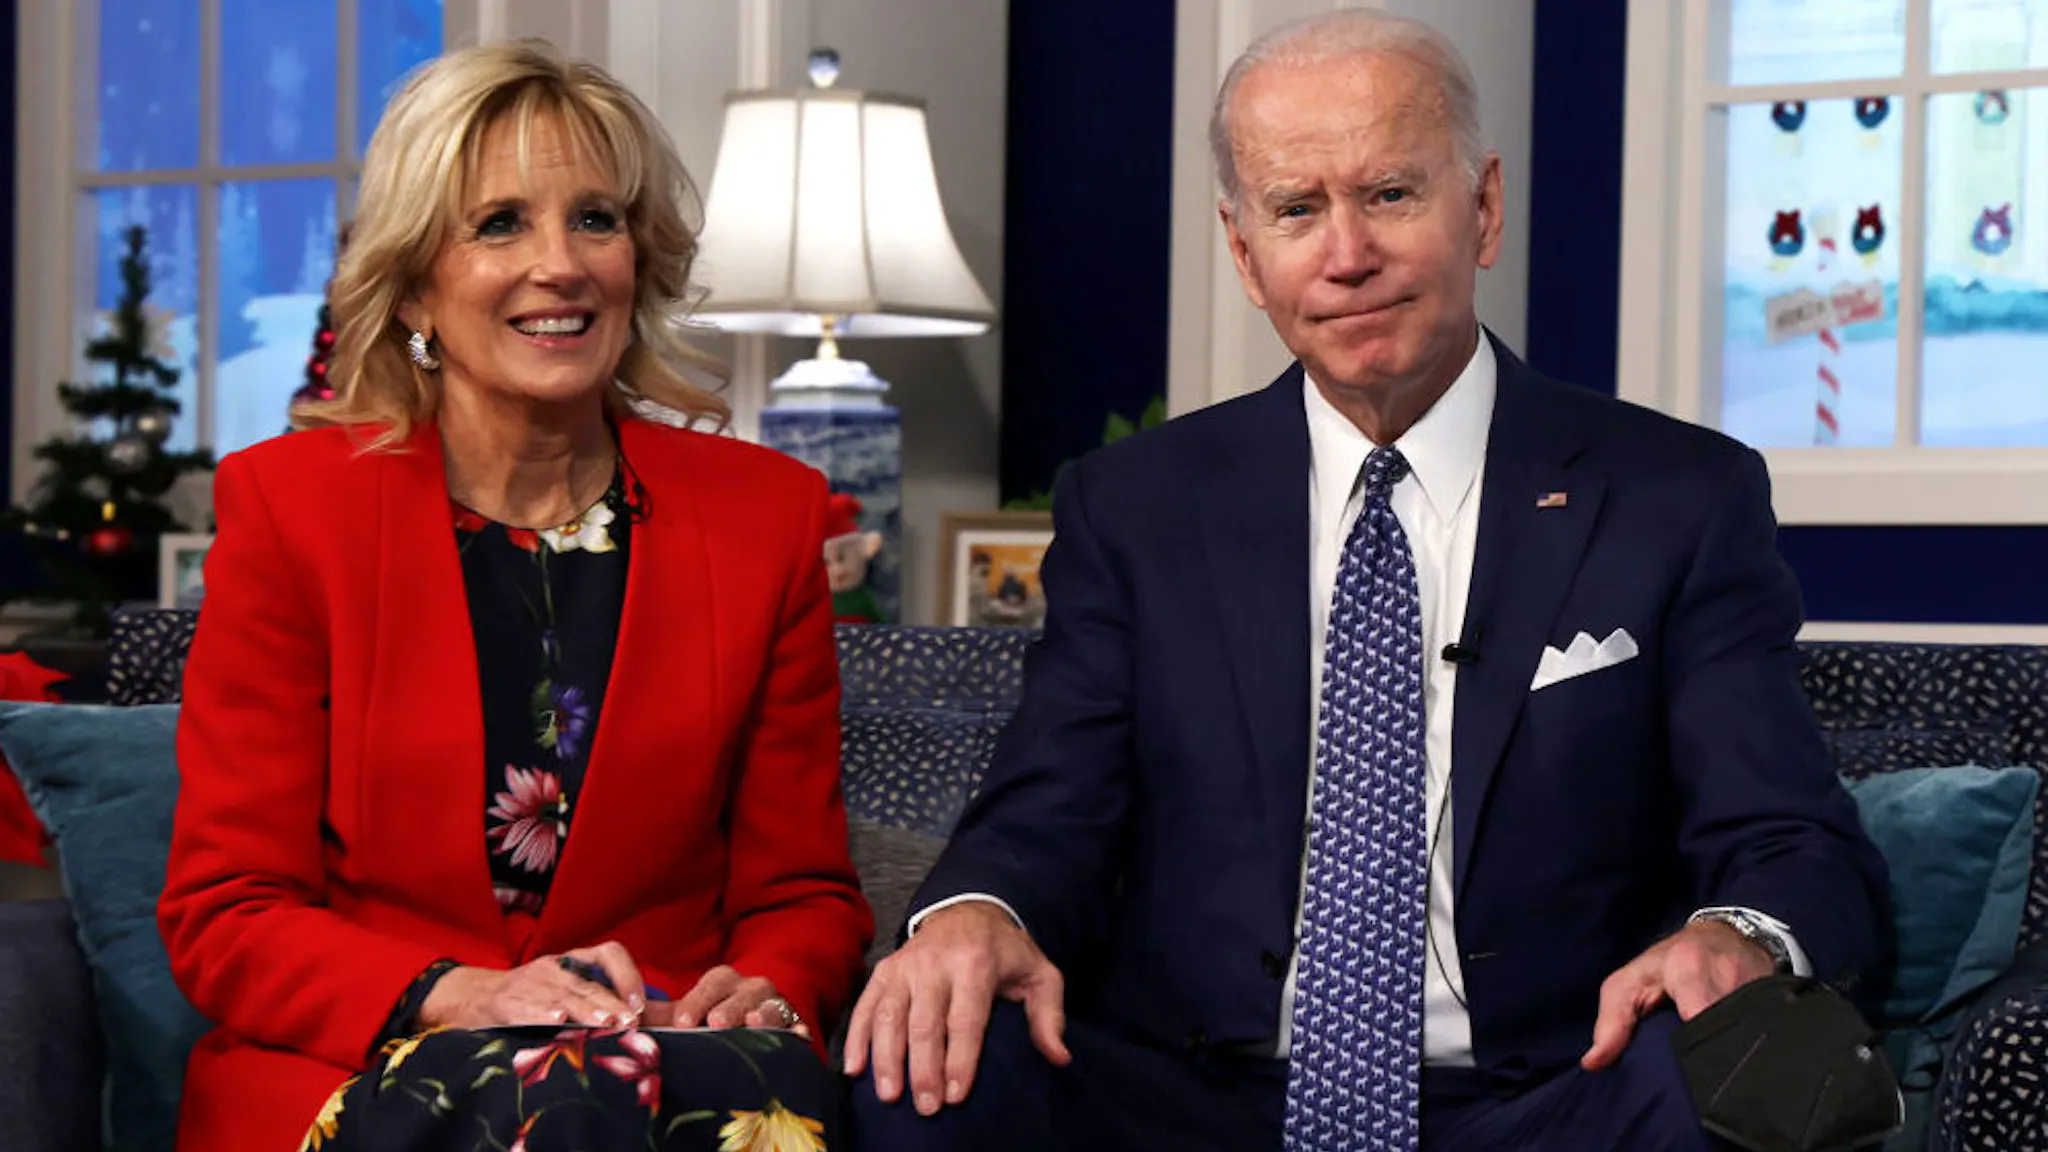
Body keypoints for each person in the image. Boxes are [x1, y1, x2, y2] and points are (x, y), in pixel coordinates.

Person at [845, 11, 1888, 1151]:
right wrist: (970, 913)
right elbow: (1046, 805)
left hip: (1547, 1097)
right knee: (925, 1059)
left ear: (1480, 208)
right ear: (1245, 255)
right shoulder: (1134, 507)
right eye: (1296, 210)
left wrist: (1734, 934)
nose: (1346, 254)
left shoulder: (1673, 496)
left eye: (1389, 193)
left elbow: (1790, 839)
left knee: (1720, 1084)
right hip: (1183, 1099)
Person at [157, 40, 872, 1152]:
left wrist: (765, 986)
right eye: (499, 225)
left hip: (666, 1061)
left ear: (641, 257)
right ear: (413, 290)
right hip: (372, 1060)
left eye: (596, 218)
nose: (562, 265)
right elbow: (227, 914)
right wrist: (459, 994)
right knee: (546, 1106)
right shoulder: (291, 514)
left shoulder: (764, 519)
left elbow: (804, 893)